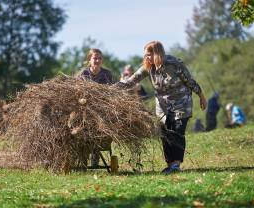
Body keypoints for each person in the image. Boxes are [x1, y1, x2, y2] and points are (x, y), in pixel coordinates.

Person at [117, 41, 207, 174]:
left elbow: (189, 81)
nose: (146, 58)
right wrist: (112, 88)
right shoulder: (148, 67)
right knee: (165, 133)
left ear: (157, 53)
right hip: (163, 107)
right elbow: (132, 80)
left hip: (180, 103)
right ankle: (170, 164)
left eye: (149, 55)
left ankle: (176, 164)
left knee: (177, 132)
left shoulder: (174, 64)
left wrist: (201, 96)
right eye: (145, 55)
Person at [77, 48, 114, 168]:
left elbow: (111, 92)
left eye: (99, 58)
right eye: (94, 58)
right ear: (89, 59)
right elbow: (76, 91)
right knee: (83, 133)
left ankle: (95, 159)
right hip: (85, 109)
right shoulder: (83, 74)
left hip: (102, 109)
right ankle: (82, 160)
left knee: (99, 134)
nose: (97, 60)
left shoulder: (107, 74)